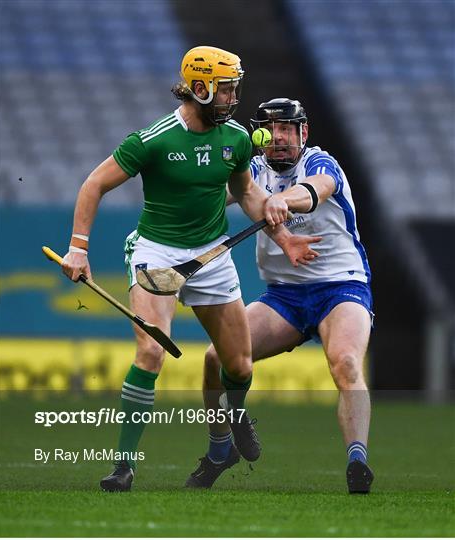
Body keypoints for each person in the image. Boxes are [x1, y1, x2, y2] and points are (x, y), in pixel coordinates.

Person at [61, 50, 320, 492]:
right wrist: (78, 249)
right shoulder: (154, 139)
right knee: (151, 352)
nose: (234, 97)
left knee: (238, 365)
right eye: (227, 88)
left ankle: (224, 439)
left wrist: (285, 238)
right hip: (157, 255)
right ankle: (123, 465)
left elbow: (249, 194)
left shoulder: (236, 139)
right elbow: (94, 184)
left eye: (235, 87)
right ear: (200, 88)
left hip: (212, 257)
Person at [186, 98, 375, 494]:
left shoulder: (321, 164)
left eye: (287, 129)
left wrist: (279, 201)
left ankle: (357, 462)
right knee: (213, 359)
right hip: (284, 298)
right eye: (270, 130)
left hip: (341, 287)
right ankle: (222, 447)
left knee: (345, 363)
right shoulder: (252, 171)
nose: (279, 138)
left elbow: (315, 191)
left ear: (303, 133)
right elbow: (211, 199)